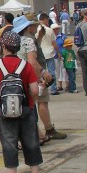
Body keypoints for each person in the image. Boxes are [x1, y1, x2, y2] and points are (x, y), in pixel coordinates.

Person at [0, 30, 43, 173]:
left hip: (5, 111)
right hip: (26, 109)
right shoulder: (25, 65)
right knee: (31, 142)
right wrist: (31, 101)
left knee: (9, 144)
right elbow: (34, 90)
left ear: (4, 46)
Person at [12, 15, 67, 145]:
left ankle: (35, 134)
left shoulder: (14, 41)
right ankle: (42, 132)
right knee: (37, 103)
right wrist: (42, 73)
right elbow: (32, 61)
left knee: (25, 106)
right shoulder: (28, 40)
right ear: (27, 27)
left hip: (18, 77)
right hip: (31, 76)